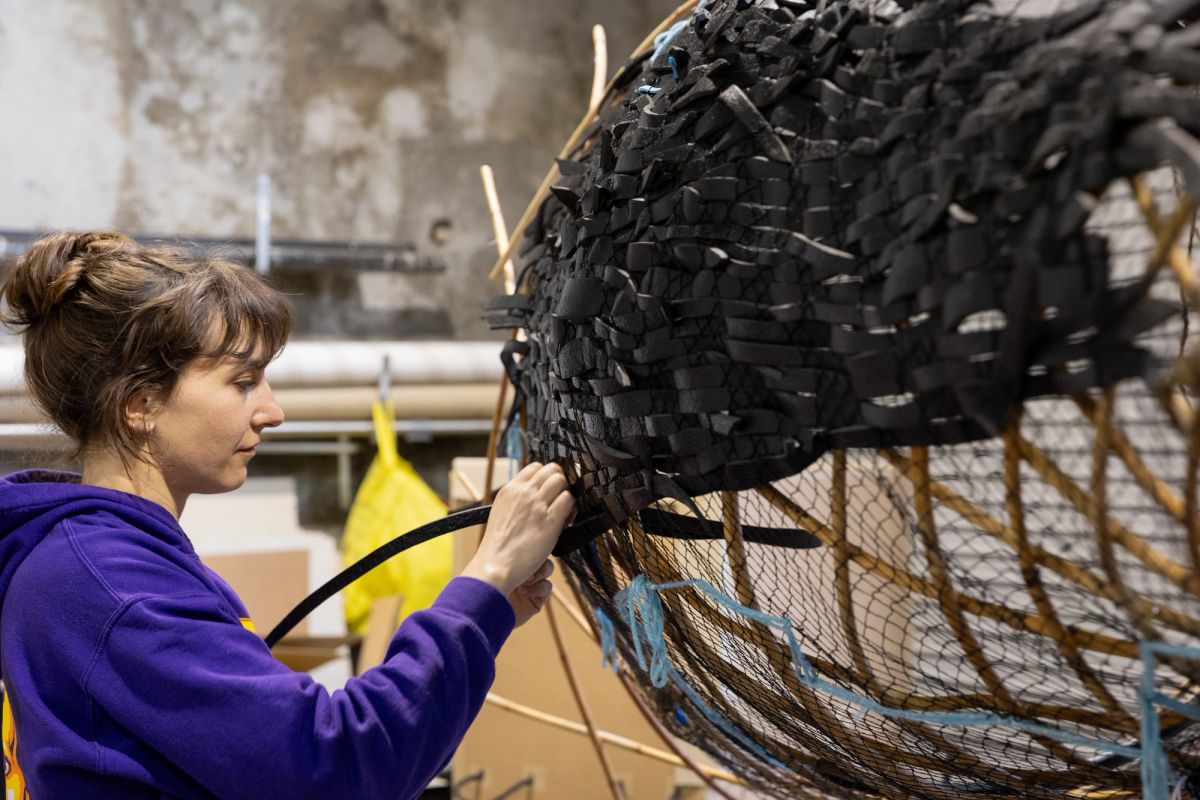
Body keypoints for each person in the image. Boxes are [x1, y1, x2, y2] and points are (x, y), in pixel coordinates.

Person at [0, 231, 574, 799]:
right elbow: (336, 766)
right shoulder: (112, 583)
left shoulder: (99, 562)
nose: (272, 411)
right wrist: (486, 578)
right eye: (243, 382)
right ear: (141, 405)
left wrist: (486, 613)